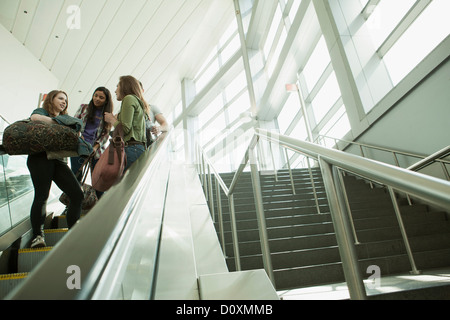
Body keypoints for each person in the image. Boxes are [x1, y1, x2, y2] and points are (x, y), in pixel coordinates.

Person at [27, 90, 84, 248]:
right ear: (51, 99)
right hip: (40, 157)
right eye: (60, 98)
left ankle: (73, 233)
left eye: (66, 100)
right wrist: (60, 124)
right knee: (42, 196)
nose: (64, 102)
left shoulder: (65, 118)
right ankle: (38, 236)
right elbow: (35, 118)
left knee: (77, 194)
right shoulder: (42, 112)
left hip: (57, 159)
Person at [70, 87, 113, 198]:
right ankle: (72, 205)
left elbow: (106, 134)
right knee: (75, 178)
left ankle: (97, 205)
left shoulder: (107, 115)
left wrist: (95, 146)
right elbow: (74, 124)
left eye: (101, 97)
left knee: (98, 180)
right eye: (95, 95)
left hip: (96, 151)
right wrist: (80, 137)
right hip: (79, 147)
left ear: (106, 100)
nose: (97, 99)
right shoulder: (84, 107)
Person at [104, 76, 148, 171]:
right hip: (138, 149)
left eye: (117, 86)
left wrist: (111, 119)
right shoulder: (137, 101)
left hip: (131, 149)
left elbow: (125, 129)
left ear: (124, 86)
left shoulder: (128, 98)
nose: (115, 91)